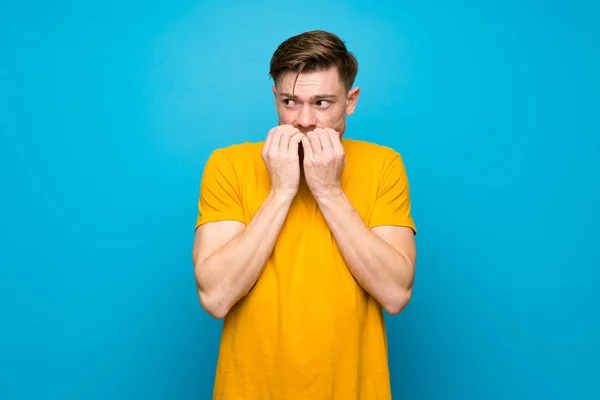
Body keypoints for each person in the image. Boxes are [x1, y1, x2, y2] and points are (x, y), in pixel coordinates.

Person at [192, 30, 417, 400]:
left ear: (351, 101)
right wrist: (281, 190)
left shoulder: (383, 165)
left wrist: (328, 190)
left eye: (323, 103)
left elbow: (394, 293)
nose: (305, 120)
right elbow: (216, 297)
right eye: (290, 102)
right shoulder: (228, 165)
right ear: (275, 100)